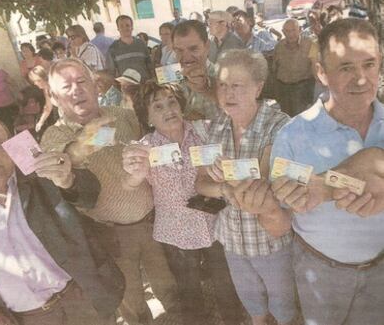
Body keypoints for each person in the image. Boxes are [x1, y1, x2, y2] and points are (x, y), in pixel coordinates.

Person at [40, 58, 178, 325]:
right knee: (131, 304)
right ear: (54, 98)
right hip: (111, 235)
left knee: (170, 289)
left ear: (96, 86)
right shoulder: (54, 137)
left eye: (82, 82)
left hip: (154, 223)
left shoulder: (124, 115)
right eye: (66, 87)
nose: (76, 90)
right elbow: (64, 162)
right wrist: (82, 143)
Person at [270, 18, 384, 325]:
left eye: (370, 64)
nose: (361, 79)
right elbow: (279, 217)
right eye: (345, 67)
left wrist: (331, 184)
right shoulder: (292, 135)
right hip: (320, 273)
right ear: (321, 72)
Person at [0, 117, 122, 325]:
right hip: (24, 319)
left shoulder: (37, 177)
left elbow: (89, 194)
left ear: (12, 147)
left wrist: (68, 179)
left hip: (81, 303)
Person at [122, 81, 247, 325]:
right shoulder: (144, 148)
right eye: (157, 107)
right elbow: (129, 184)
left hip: (213, 223)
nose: (168, 110)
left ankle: (233, 319)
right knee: (188, 288)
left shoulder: (204, 132)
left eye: (172, 102)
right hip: (175, 230)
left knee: (224, 280)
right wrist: (135, 174)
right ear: (147, 117)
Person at [195, 49, 296, 325]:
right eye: (223, 85)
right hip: (233, 241)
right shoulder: (216, 127)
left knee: (284, 306)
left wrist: (232, 177)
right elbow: (201, 183)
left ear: (258, 87)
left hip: (270, 240)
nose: (228, 93)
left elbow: (269, 184)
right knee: (252, 303)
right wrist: (223, 190)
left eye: (237, 85)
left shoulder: (280, 127)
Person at [171, 20, 220, 119]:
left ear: (207, 46)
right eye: (179, 50)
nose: (186, 57)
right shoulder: (170, 73)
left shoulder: (223, 75)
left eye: (193, 49)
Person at [273, 18, 316, 116]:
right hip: (284, 89)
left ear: (300, 30)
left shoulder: (309, 44)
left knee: (301, 119)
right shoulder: (279, 46)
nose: (290, 34)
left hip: (302, 88)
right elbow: (275, 69)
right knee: (286, 119)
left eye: (293, 30)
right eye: (287, 31)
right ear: (283, 32)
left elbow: (315, 67)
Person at [106, 15, 153, 81]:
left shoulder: (141, 44)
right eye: (121, 26)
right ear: (118, 28)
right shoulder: (113, 48)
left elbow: (150, 65)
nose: (125, 28)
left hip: (145, 86)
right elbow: (111, 72)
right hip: (126, 87)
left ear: (132, 27)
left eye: (127, 25)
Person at [28, 65, 57, 133]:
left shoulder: (55, 86)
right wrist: (40, 122)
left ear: (44, 77)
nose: (35, 83)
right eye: (34, 81)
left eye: (38, 80)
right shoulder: (46, 89)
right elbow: (48, 107)